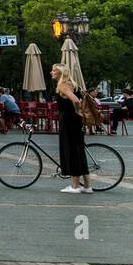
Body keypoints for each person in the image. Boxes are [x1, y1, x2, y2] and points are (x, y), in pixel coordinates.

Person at [52, 64, 91, 193]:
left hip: (69, 120)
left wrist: (77, 111)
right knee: (79, 151)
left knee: (71, 150)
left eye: (54, 70)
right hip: (76, 122)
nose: (51, 72)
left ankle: (75, 186)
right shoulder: (73, 84)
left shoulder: (63, 85)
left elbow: (75, 100)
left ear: (60, 73)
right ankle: (87, 186)